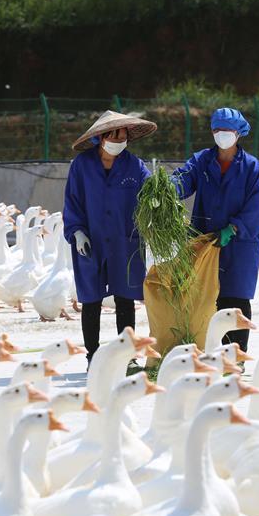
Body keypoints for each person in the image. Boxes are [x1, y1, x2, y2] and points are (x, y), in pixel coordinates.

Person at [63, 110, 157, 368]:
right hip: (90, 241)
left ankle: (126, 355)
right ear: (102, 137)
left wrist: (157, 199)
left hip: (124, 242)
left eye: (124, 136)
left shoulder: (134, 166)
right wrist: (76, 231)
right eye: (116, 135)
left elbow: (150, 191)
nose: (120, 140)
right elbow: (72, 202)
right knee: (90, 299)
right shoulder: (81, 166)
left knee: (124, 298)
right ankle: (93, 355)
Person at [173, 107, 259, 352]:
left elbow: (255, 207)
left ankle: (237, 355)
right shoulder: (201, 160)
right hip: (204, 241)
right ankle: (213, 354)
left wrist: (234, 228)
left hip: (238, 245)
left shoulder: (251, 167)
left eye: (227, 130)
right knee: (207, 298)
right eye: (217, 129)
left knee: (235, 299)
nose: (222, 134)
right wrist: (166, 189)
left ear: (238, 133)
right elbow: (183, 179)